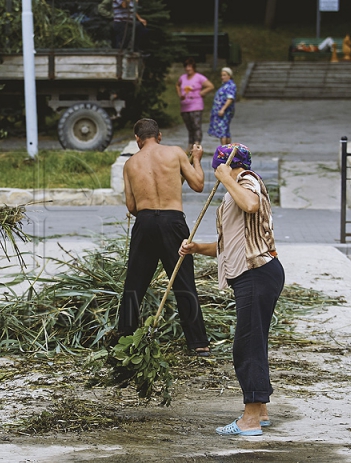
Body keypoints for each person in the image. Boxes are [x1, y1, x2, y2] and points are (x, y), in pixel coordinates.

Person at [179, 143, 284, 436]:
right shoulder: (233, 192)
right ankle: (260, 412)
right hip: (254, 275)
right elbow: (229, 245)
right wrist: (196, 248)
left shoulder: (247, 181)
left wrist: (226, 176)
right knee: (255, 342)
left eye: (217, 168)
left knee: (246, 346)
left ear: (222, 165)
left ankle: (249, 420)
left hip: (257, 274)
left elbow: (250, 204)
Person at [118, 118, 210, 356]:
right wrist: (197, 160)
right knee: (183, 282)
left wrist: (150, 210)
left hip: (145, 222)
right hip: (173, 221)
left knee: (134, 286)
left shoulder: (130, 164)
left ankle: (125, 339)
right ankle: (198, 343)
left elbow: (131, 206)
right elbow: (198, 185)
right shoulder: (176, 153)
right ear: (159, 136)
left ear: (138, 140)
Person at [177, 58, 215, 153]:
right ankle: (190, 145)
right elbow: (177, 85)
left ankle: (197, 144)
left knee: (196, 125)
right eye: (186, 66)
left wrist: (202, 92)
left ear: (193, 67)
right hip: (185, 105)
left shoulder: (199, 77)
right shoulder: (183, 77)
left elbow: (210, 86)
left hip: (196, 105)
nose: (187, 68)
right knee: (189, 127)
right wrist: (180, 94)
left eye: (189, 66)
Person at [208, 67, 237, 146]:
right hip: (220, 111)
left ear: (229, 75)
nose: (222, 77)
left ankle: (224, 149)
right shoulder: (224, 85)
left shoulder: (231, 86)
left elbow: (230, 98)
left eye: (224, 75)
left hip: (225, 112)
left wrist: (223, 109)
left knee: (223, 131)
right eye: (222, 75)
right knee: (225, 131)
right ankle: (227, 149)